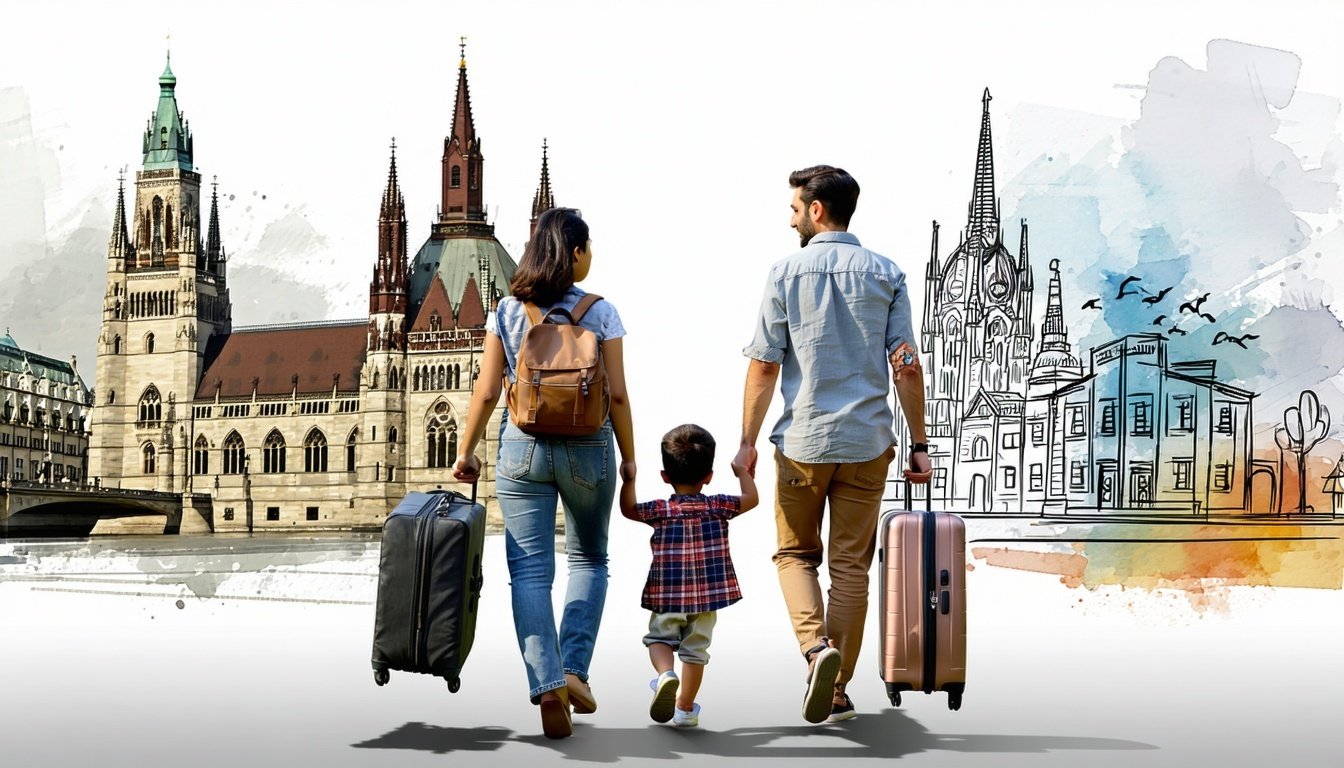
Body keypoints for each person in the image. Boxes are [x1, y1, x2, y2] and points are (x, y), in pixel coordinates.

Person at [735, 165, 932, 724]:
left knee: (795, 553)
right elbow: (907, 368)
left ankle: (816, 649)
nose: (790, 217)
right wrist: (919, 442)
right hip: (868, 443)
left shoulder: (783, 273)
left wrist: (747, 443)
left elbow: (763, 365)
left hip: (802, 442)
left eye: (795, 208)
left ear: (817, 210)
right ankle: (839, 686)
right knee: (851, 566)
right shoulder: (887, 273)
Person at [453, 207, 635, 740]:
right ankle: (575, 669)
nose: (591, 255)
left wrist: (466, 452)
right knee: (590, 558)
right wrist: (629, 460)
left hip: (522, 450)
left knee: (530, 572)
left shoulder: (508, 311)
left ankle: (547, 684)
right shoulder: (602, 313)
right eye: (589, 247)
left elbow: (487, 391)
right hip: (589, 450)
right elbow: (618, 394)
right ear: (575, 254)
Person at [620, 424, 759, 728]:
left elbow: (628, 509)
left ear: (665, 476)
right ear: (708, 476)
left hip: (668, 595)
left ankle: (665, 675)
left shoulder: (661, 510)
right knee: (696, 652)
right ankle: (684, 707)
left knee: (659, 639)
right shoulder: (719, 506)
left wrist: (628, 479)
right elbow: (752, 498)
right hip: (708, 598)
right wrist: (741, 471)